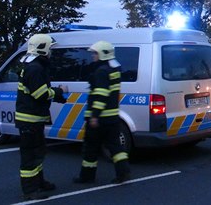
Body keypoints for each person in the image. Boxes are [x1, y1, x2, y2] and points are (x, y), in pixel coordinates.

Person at [16, 34, 67, 200]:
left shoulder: (34, 65)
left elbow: (39, 91)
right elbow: (40, 94)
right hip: (30, 120)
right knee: (30, 156)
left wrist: (57, 96)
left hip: (34, 119)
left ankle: (39, 182)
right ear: (43, 48)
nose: (51, 51)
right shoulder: (35, 68)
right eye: (50, 48)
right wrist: (59, 92)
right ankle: (30, 191)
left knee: (38, 152)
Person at [73, 41, 130, 184]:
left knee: (90, 148)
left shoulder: (101, 71)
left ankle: (87, 176)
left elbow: (101, 95)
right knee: (116, 147)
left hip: (100, 119)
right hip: (112, 117)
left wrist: (94, 115)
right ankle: (123, 173)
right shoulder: (114, 70)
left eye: (95, 53)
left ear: (103, 54)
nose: (93, 56)